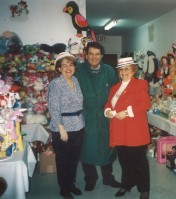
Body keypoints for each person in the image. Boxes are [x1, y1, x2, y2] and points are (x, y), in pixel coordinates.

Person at [74, 42, 121, 191]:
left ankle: (108, 178)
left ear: (102, 56)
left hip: (106, 116)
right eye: (91, 54)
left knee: (106, 148)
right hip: (86, 116)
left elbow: (117, 93)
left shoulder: (109, 71)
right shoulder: (78, 71)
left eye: (97, 54)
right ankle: (90, 179)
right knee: (87, 149)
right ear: (86, 55)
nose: (94, 57)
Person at [104, 57, 151, 199]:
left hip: (135, 132)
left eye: (127, 69)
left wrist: (127, 112)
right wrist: (108, 111)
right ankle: (126, 184)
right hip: (119, 131)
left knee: (139, 163)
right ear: (118, 71)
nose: (124, 72)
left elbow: (145, 104)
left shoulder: (140, 84)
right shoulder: (114, 87)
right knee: (124, 161)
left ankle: (144, 190)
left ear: (133, 70)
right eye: (121, 69)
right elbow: (108, 104)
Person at [46, 52, 85, 199]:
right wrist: (61, 128)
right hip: (63, 128)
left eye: (70, 64)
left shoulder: (75, 80)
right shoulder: (56, 84)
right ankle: (64, 188)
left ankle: (71, 184)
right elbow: (53, 107)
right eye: (64, 65)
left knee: (74, 159)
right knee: (63, 160)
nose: (68, 68)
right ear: (59, 69)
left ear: (74, 66)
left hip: (79, 126)